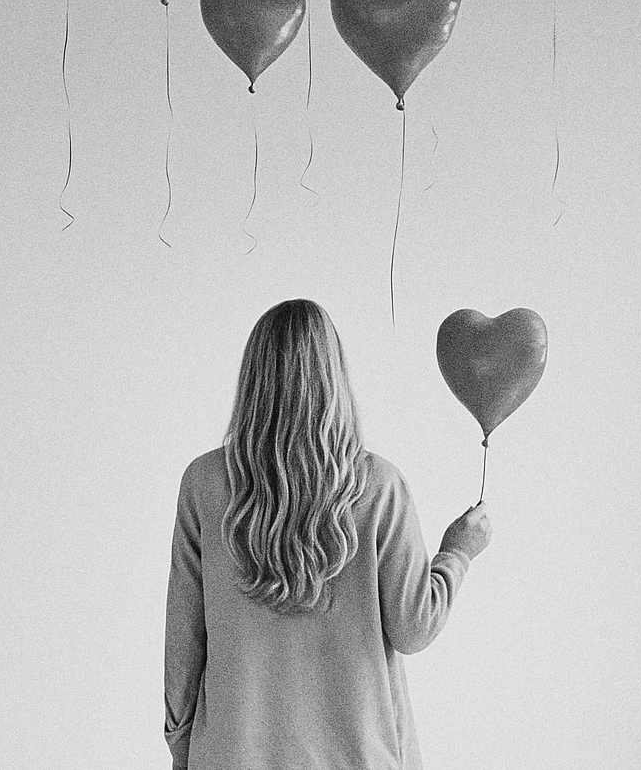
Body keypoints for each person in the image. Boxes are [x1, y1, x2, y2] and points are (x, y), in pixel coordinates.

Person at [164, 298, 492, 770]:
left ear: (253, 377)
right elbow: (414, 626)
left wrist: (183, 748)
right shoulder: (379, 486)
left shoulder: (204, 484)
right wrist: (458, 552)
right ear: (334, 376)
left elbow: (183, 642)